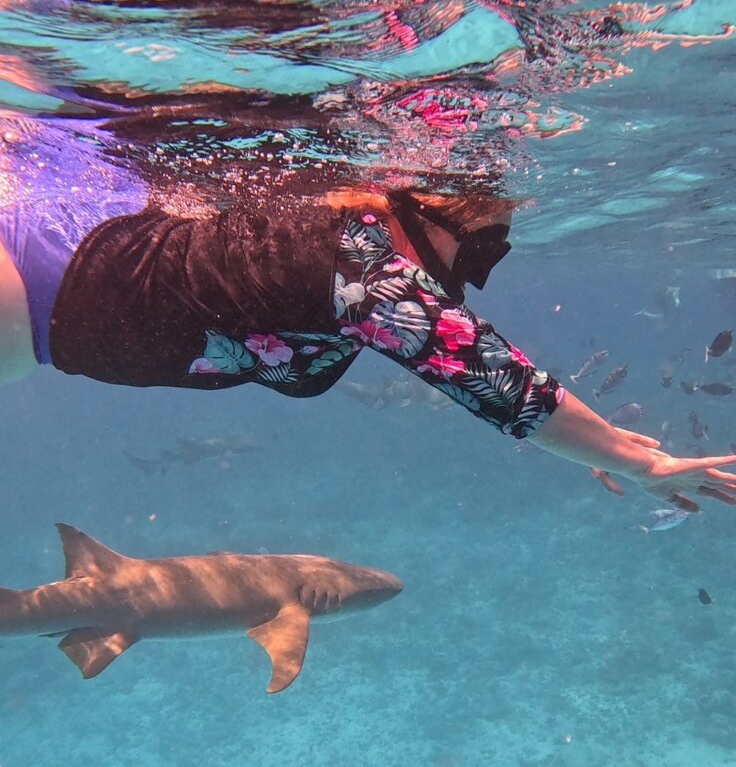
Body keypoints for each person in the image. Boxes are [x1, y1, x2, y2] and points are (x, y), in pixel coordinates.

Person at [1, 111, 735, 513]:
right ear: (405, 209)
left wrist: (604, 439)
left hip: (49, 297)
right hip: (35, 285)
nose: (470, 279)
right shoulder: (352, 264)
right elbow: (494, 381)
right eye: (478, 250)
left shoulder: (330, 267)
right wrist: (637, 459)